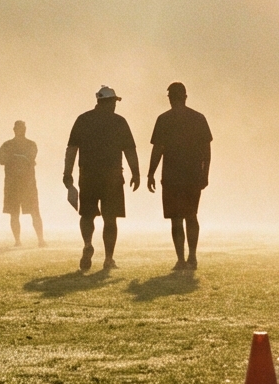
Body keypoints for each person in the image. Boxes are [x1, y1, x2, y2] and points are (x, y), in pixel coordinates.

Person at [65, 87, 140, 272]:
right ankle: (108, 258)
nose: (115, 105)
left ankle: (88, 243)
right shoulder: (119, 122)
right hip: (112, 176)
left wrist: (67, 174)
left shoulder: (83, 119)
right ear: (108, 102)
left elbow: (72, 148)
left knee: (87, 214)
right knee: (110, 219)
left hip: (88, 174)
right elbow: (129, 150)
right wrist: (136, 173)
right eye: (114, 101)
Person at [148, 82, 211, 270]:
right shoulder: (198, 118)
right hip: (192, 175)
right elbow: (206, 151)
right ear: (185, 96)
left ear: (170, 98)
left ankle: (181, 259)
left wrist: (150, 173)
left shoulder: (164, 119)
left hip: (171, 176)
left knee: (176, 218)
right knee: (191, 216)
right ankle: (192, 256)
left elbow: (158, 149)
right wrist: (205, 173)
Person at [0, 120, 46, 248]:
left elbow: (30, 158)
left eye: (23, 128)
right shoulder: (7, 145)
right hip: (13, 184)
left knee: (34, 212)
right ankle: (18, 240)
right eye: (19, 128)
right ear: (14, 129)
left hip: (27, 184)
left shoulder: (31, 145)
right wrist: (20, 157)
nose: (21, 130)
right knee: (14, 213)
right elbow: (1, 160)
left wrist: (14, 157)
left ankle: (40, 240)